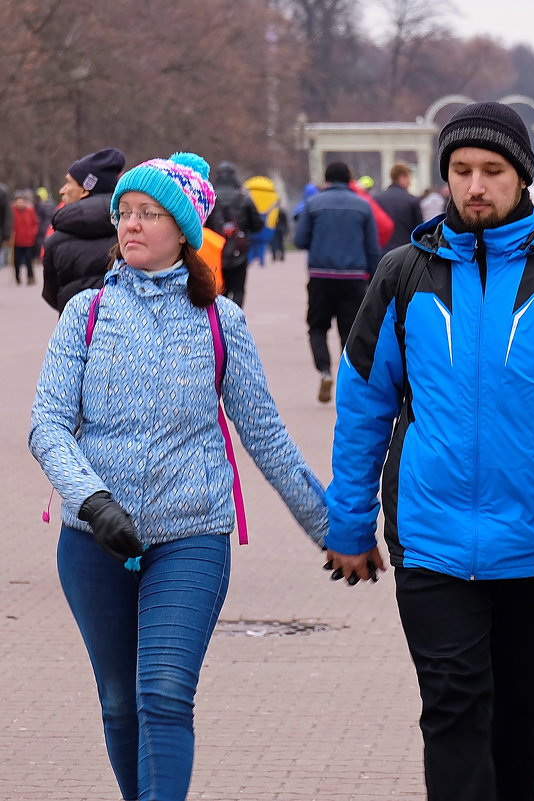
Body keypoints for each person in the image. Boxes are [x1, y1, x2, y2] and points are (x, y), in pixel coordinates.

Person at [323, 101, 534, 801]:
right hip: (431, 542)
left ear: (522, 176)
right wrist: (347, 524)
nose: (475, 185)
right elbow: (362, 409)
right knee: (453, 713)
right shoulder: (402, 275)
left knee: (518, 724)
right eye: (461, 170)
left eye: (492, 170)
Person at [28, 152, 329, 801]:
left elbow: (267, 436)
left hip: (190, 535)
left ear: (185, 230)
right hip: (92, 539)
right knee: (118, 701)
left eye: (149, 214)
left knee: (163, 692)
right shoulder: (87, 312)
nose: (131, 226)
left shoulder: (222, 321)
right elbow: (47, 422)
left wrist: (335, 529)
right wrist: (93, 499)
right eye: (125, 214)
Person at [293, 161, 380, 404]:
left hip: (321, 276)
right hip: (353, 278)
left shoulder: (313, 204)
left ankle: (324, 370)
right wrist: (373, 279)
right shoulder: (363, 206)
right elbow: (373, 248)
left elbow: (299, 240)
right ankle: (347, 378)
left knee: (317, 327)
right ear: (349, 178)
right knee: (351, 331)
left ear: (327, 178)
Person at [41, 147, 126, 313]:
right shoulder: (132, 232)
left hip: (74, 331)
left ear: (86, 189)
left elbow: (51, 294)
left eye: (69, 182)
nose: (62, 190)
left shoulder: (55, 241)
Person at [204, 161, 263, 308]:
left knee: (218, 290)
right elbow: (257, 225)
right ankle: (235, 322)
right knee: (238, 290)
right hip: (239, 250)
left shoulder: (210, 198)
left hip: (215, 250)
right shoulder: (244, 197)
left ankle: (219, 323)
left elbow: (204, 224)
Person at [372, 163, 424, 249]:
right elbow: (419, 231)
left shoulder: (377, 199)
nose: (410, 182)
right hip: (406, 249)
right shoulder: (412, 200)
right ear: (402, 178)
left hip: (383, 250)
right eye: (409, 178)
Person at [11, 190, 40, 284]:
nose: (20, 203)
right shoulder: (12, 211)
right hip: (16, 240)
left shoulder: (30, 210)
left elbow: (35, 223)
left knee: (28, 259)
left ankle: (30, 277)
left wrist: (33, 233)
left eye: (21, 201)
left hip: (28, 240)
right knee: (16, 260)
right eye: (18, 201)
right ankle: (17, 277)